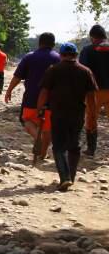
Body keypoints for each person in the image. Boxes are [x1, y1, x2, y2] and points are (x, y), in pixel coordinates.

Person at [37, 42, 98, 191]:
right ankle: (71, 176)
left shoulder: (53, 70)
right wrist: (92, 115)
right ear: (76, 55)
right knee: (74, 144)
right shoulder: (85, 71)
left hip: (58, 113)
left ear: (61, 55)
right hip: (77, 113)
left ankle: (64, 178)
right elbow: (91, 97)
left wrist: (40, 109)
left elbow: (44, 92)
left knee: (58, 145)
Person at [4, 32, 60, 163]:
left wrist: (9, 90)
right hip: (51, 99)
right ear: (53, 44)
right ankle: (43, 153)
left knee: (27, 120)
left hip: (31, 97)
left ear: (39, 43)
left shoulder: (29, 57)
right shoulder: (58, 58)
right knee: (47, 127)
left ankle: (36, 136)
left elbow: (17, 76)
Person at [78, 24, 109, 156]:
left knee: (91, 119)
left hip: (95, 91)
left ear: (92, 37)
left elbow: (83, 70)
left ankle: (91, 149)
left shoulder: (88, 50)